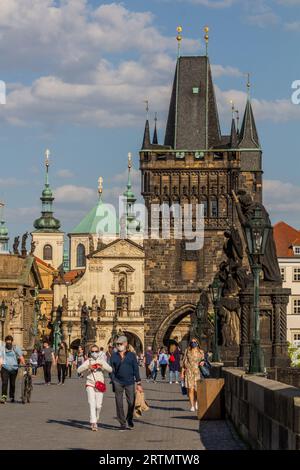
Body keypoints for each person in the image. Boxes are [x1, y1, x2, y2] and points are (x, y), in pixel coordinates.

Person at [111, 335, 143, 431]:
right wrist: (113, 380)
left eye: (120, 344)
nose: (119, 346)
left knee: (131, 402)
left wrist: (139, 383)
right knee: (119, 403)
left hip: (129, 382)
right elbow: (111, 370)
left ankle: (129, 418)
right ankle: (122, 423)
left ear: (125, 344)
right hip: (118, 382)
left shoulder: (131, 355)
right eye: (117, 344)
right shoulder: (114, 356)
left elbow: (136, 369)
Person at [77, 344, 112, 432]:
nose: (94, 353)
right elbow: (78, 370)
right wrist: (87, 367)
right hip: (90, 384)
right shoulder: (88, 361)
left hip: (100, 384)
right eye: (92, 351)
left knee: (98, 405)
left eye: (96, 351)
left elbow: (110, 369)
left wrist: (101, 367)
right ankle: (93, 422)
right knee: (91, 403)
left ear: (99, 352)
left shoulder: (101, 361)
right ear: (90, 352)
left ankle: (96, 418)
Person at [181, 338, 204, 412]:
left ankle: (196, 402)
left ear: (197, 343)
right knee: (190, 389)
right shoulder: (187, 351)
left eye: (194, 342)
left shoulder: (201, 352)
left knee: (197, 390)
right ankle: (192, 406)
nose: (193, 343)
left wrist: (202, 362)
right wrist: (182, 373)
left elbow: (203, 360)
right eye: (192, 342)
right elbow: (184, 362)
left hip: (197, 372)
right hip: (189, 372)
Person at [0, 335, 25, 403]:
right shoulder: (2, 348)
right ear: (5, 342)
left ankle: (12, 396)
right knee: (4, 382)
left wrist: (24, 364)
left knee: (12, 383)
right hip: (5, 367)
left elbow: (21, 357)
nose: (8, 342)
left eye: (9, 341)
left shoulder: (15, 348)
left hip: (14, 368)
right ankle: (4, 397)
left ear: (12, 341)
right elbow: (1, 358)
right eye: (7, 341)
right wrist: (0, 366)